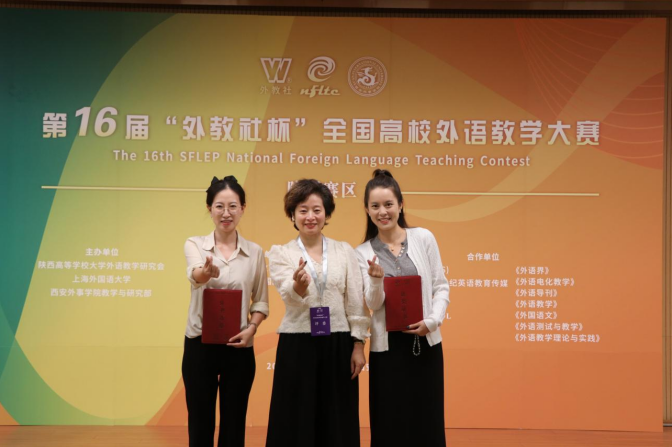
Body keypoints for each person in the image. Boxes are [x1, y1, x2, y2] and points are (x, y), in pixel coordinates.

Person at [265, 179, 369, 447]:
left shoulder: (344, 251)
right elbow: (287, 295)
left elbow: (355, 301)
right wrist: (298, 287)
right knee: (296, 417)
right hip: (297, 343)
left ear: (326, 214)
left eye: (316, 210)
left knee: (336, 417)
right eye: (302, 210)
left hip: (338, 343)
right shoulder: (281, 253)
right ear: (292, 215)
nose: (310, 216)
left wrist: (358, 344)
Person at [355, 169, 449, 447]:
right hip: (387, 349)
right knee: (390, 420)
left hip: (425, 342)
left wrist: (432, 321)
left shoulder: (423, 237)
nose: (382, 212)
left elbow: (441, 286)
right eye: (375, 206)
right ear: (367, 210)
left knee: (427, 418)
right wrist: (376, 280)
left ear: (400, 205)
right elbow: (373, 305)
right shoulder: (362, 253)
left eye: (388, 204)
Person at [182, 175, 269, 447]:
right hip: (200, 344)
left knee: (234, 421)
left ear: (243, 208)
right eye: (219, 206)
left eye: (233, 206)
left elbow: (261, 302)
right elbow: (195, 274)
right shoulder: (195, 244)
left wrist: (252, 328)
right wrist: (206, 273)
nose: (226, 213)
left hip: (238, 346)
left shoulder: (255, 252)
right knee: (200, 420)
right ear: (209, 209)